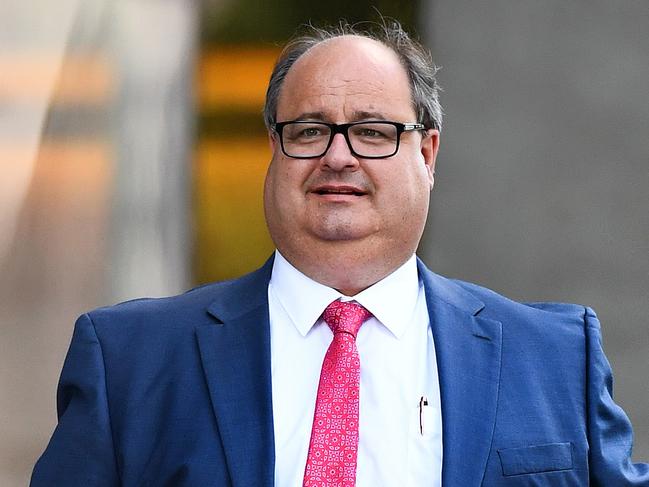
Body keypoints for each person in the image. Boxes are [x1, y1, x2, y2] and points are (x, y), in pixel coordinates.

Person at [31, 20, 648, 487]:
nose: (338, 156)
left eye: (374, 131)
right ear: (274, 150)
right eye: (309, 130)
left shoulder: (554, 357)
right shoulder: (129, 362)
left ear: (427, 154)